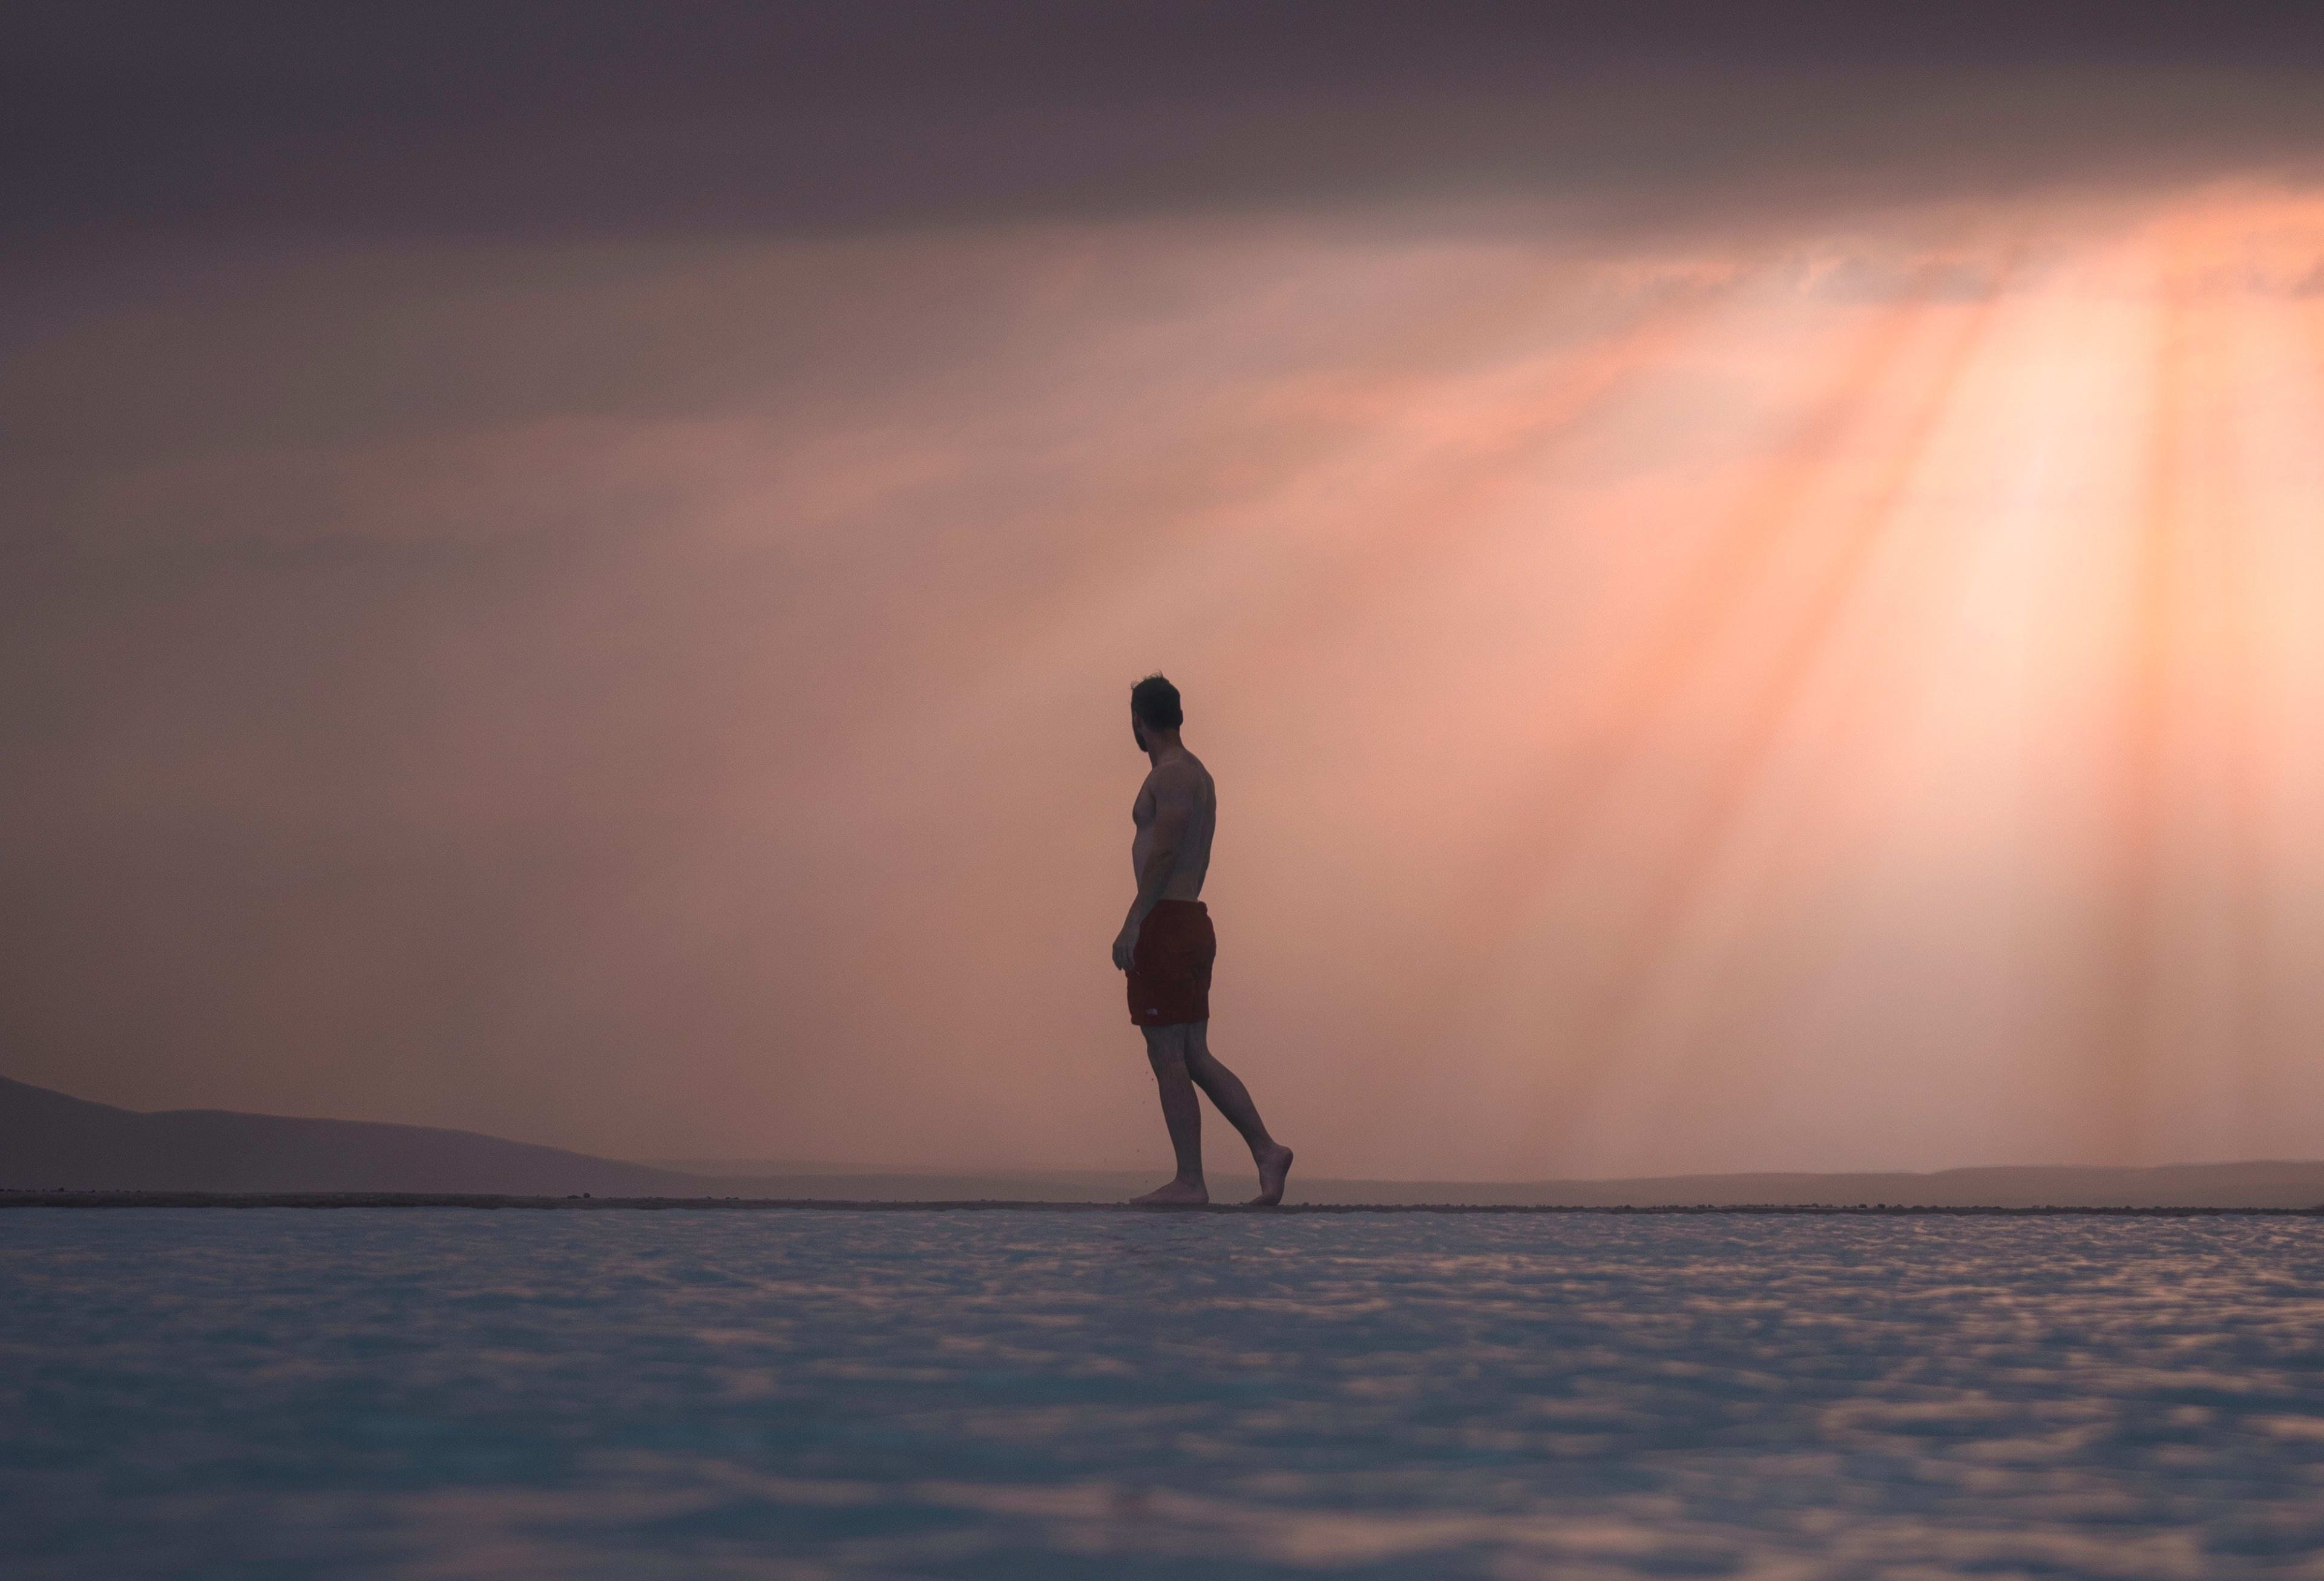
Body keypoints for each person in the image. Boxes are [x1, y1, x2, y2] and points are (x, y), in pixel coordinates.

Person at [1112, 674, 1294, 1206]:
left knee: (1167, 1053)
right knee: (1194, 1053)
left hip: (1167, 920)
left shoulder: (1171, 776)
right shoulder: (1201, 775)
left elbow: (1165, 850)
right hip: (1190, 917)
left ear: (1139, 723)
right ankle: (1267, 1149)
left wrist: (1135, 920)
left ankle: (1190, 1180)